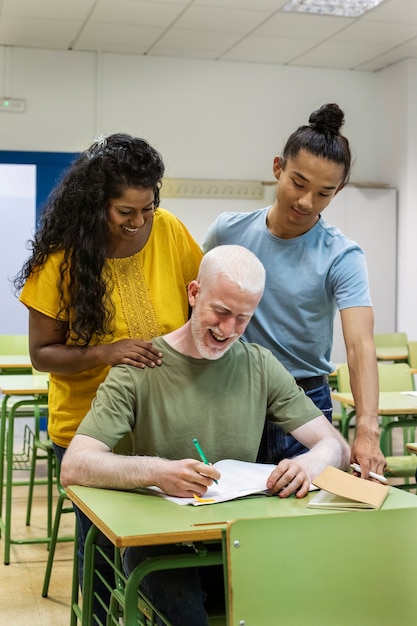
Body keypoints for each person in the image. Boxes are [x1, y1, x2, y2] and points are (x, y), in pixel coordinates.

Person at [61, 244, 350, 626]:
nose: (228, 330)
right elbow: (75, 465)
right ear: (194, 293)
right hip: (160, 546)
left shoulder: (259, 365)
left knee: (313, 594)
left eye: (243, 318)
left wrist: (309, 464)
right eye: (222, 312)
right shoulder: (140, 369)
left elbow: (336, 445)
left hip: (240, 537)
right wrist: (157, 473)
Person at [13, 132, 203, 622]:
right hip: (87, 431)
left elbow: (197, 304)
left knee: (160, 546)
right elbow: (42, 354)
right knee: (98, 546)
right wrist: (106, 352)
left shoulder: (170, 231)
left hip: (159, 422)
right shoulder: (62, 256)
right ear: (96, 204)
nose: (139, 221)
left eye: (148, 206)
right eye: (125, 212)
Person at [202, 103, 385, 479]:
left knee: (298, 518)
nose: (306, 202)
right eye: (298, 183)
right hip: (232, 394)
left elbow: (359, 345)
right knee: (231, 515)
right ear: (277, 168)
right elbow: (193, 308)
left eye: (324, 193)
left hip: (304, 402)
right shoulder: (227, 232)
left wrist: (367, 428)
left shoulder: (342, 255)